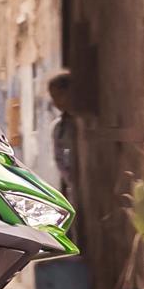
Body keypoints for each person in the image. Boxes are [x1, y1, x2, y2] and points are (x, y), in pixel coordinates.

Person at [48, 70, 77, 198]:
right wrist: (71, 179)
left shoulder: (85, 123)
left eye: (58, 95)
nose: (55, 103)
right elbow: (59, 158)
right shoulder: (59, 128)